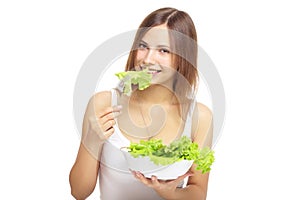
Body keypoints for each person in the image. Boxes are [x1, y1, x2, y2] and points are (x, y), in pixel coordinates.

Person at [69, 7, 213, 200]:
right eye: (143, 46)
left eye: (163, 50)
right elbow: (79, 192)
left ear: (182, 58)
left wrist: (169, 192)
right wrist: (92, 140)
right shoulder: (104, 103)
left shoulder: (199, 117)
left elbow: (198, 192)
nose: (147, 59)